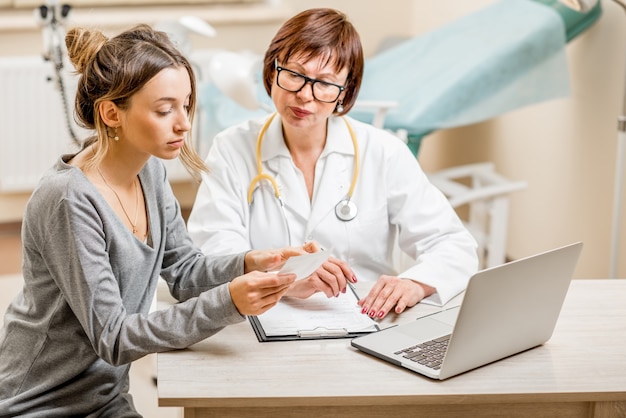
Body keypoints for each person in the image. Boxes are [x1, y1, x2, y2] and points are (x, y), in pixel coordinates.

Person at [0, 24, 306, 417]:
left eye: (186, 105)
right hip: (37, 403)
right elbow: (113, 337)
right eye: (164, 110)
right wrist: (228, 301)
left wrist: (250, 262)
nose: (184, 124)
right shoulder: (67, 200)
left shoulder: (150, 172)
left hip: (105, 398)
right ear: (112, 113)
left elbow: (183, 271)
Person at [187, 8, 479, 321]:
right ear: (272, 72)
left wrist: (414, 283)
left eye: (325, 84)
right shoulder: (233, 147)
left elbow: (451, 243)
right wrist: (285, 279)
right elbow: (212, 252)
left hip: (365, 316)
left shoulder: (383, 151)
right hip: (263, 318)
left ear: (345, 92)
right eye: (295, 75)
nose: (304, 97)